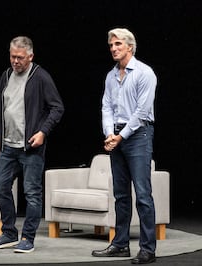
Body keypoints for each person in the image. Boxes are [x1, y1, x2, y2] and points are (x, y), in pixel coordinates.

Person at [0, 36, 64, 253]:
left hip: (31, 147)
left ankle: (28, 237)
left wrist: (43, 132)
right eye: (12, 56)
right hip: (8, 146)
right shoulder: (6, 75)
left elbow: (57, 108)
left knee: (32, 193)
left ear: (30, 56)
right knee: (1, 187)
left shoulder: (40, 77)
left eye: (20, 57)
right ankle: (9, 233)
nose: (15, 61)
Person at [91, 28, 157, 264]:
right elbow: (106, 107)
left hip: (138, 134)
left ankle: (148, 248)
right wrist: (109, 133)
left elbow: (141, 111)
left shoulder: (144, 73)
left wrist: (122, 136)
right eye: (111, 45)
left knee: (142, 194)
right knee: (120, 195)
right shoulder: (110, 76)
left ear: (130, 46)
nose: (113, 48)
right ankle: (120, 244)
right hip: (117, 135)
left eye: (118, 44)